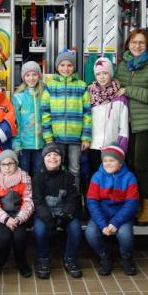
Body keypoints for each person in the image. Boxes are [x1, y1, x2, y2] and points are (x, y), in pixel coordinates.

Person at [114, 28, 148, 225]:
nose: (137, 46)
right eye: (134, 42)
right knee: (128, 164)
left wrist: (128, 90)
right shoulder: (123, 65)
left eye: (141, 43)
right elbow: (115, 89)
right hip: (128, 123)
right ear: (128, 44)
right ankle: (133, 204)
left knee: (141, 165)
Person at [85, 143, 140, 276]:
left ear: (120, 163)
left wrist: (115, 222)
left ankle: (126, 257)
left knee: (125, 234)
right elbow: (92, 202)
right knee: (91, 232)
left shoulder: (129, 177)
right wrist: (103, 224)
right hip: (102, 214)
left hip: (121, 215)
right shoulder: (97, 176)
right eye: (105, 161)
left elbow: (131, 203)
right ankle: (105, 256)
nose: (107, 163)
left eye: (112, 160)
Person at [41, 49, 91, 192]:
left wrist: (86, 137)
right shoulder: (50, 86)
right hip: (56, 138)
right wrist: (48, 136)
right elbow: (45, 113)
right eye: (62, 65)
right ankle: (59, 196)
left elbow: (87, 114)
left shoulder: (81, 86)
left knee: (75, 168)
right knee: (56, 168)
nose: (66, 68)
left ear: (74, 67)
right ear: (57, 67)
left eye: (69, 65)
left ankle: (74, 198)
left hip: (76, 138)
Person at [32, 142, 82, 279]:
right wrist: (48, 218)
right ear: (43, 158)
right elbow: (38, 201)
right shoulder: (37, 178)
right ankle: (43, 259)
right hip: (45, 215)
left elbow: (72, 198)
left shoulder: (68, 177)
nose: (53, 158)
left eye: (56, 155)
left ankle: (70, 258)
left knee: (76, 229)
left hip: (64, 214)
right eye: (49, 155)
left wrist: (65, 215)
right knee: (39, 230)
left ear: (62, 159)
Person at [0, 150, 34, 277]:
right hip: (2, 216)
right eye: (3, 164)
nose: (7, 167)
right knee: (4, 239)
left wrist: (19, 218)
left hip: (19, 214)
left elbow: (28, 201)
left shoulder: (24, 177)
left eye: (10, 163)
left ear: (16, 164)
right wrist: (6, 219)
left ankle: (21, 262)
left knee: (19, 237)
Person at [87, 57, 130, 187]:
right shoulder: (89, 95)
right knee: (94, 181)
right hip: (93, 146)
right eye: (98, 74)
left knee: (112, 182)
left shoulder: (120, 97)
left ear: (110, 74)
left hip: (112, 148)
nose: (102, 77)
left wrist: (121, 149)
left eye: (105, 73)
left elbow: (124, 127)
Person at [12, 61, 45, 176]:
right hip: (24, 144)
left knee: (38, 171)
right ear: (23, 77)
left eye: (34, 74)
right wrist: (16, 144)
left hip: (40, 144)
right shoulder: (18, 97)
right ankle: (26, 194)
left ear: (39, 76)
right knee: (24, 171)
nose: (31, 78)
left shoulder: (44, 95)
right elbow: (15, 123)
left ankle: (37, 194)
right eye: (28, 75)